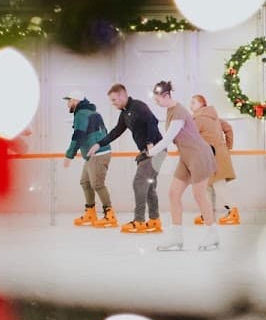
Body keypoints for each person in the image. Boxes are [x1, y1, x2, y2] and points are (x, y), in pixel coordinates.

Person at [147, 81, 219, 251]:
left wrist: (150, 152)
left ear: (166, 96)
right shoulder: (170, 110)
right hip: (186, 157)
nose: (156, 103)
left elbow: (167, 138)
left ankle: (212, 232)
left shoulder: (179, 112)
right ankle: (176, 234)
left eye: (158, 99)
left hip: (199, 155)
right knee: (173, 193)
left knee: (199, 194)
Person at [89, 83, 165, 234]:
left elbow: (153, 121)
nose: (113, 103)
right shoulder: (125, 113)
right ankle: (155, 221)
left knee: (139, 183)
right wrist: (99, 144)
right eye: (111, 101)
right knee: (149, 187)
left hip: (155, 150)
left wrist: (150, 143)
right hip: (150, 152)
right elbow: (116, 132)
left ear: (123, 96)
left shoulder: (138, 106)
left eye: (114, 100)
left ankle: (139, 221)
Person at [62, 89, 117, 228]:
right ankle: (90, 213)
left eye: (69, 101)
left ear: (75, 101)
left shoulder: (81, 114)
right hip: (93, 154)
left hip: (98, 154)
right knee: (85, 182)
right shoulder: (92, 113)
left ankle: (110, 215)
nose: (68, 104)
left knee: (97, 184)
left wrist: (69, 155)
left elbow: (78, 136)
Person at [190, 94, 239, 225]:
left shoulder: (198, 119)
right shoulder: (215, 117)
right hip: (217, 155)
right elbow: (228, 128)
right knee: (208, 186)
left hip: (212, 156)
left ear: (202, 104)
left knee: (217, 185)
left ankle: (233, 212)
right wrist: (227, 147)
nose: (191, 105)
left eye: (194, 102)